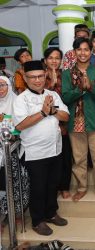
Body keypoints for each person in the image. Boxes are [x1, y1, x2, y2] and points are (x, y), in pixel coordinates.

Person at [13, 60, 69, 236]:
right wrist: (43, 113)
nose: (37, 80)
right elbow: (21, 125)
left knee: (53, 184)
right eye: (32, 77)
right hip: (34, 152)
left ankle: (51, 213)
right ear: (26, 78)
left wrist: (52, 111)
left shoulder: (53, 94)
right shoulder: (21, 99)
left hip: (55, 149)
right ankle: (38, 221)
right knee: (38, 187)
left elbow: (65, 116)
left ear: (45, 76)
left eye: (40, 76)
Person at [62, 38, 95, 202]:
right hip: (76, 123)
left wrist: (91, 88)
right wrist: (79, 90)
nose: (83, 53)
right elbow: (65, 97)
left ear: (91, 52)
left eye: (86, 49)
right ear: (74, 52)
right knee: (79, 159)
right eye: (79, 50)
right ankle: (81, 188)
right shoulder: (67, 74)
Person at [44, 47, 72, 199]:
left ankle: (65, 186)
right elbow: (41, 101)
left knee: (65, 156)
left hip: (63, 122)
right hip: (44, 122)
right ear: (45, 60)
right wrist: (51, 85)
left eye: (57, 58)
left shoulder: (65, 75)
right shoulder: (40, 77)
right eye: (50, 58)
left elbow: (67, 98)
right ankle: (53, 187)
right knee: (51, 159)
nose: (54, 61)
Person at [0, 76, 29, 219]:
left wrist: (12, 136)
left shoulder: (17, 102)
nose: (0, 89)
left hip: (13, 149)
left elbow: (23, 125)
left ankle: (17, 213)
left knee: (14, 182)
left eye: (3, 85)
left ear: (9, 86)